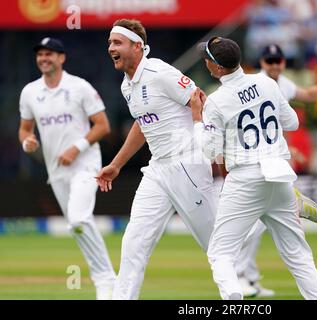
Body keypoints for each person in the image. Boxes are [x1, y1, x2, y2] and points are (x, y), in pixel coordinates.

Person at [96, 19, 263, 300]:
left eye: (117, 42)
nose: (110, 47)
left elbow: (204, 105)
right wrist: (117, 164)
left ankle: (265, 214)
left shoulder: (160, 73)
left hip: (187, 164)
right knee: (134, 243)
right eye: (110, 42)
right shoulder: (128, 84)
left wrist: (226, 153)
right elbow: (142, 125)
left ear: (137, 46)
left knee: (215, 245)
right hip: (157, 170)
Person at [190, 36, 317, 300]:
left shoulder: (216, 101)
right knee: (297, 253)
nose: (206, 63)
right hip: (279, 173)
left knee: (220, 253)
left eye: (207, 59)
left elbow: (208, 150)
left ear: (216, 67)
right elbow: (292, 123)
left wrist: (198, 118)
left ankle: (233, 297)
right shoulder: (266, 82)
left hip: (245, 177)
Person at [18, 37, 116, 299]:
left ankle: (106, 281)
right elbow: (25, 129)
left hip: (86, 164)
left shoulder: (79, 87)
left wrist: (77, 148)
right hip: (56, 172)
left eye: (49, 54)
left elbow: (103, 125)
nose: (44, 58)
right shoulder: (30, 92)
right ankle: (107, 279)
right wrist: (27, 142)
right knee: (77, 226)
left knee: (79, 218)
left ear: (62, 58)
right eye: (40, 54)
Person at [235, 43, 317, 297]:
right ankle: (245, 276)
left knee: (262, 224)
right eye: (270, 61)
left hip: (271, 161)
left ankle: (248, 276)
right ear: (262, 63)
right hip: (254, 161)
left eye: (278, 60)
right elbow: (284, 121)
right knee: (256, 225)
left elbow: (306, 96)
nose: (275, 65)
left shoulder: (283, 84)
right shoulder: (254, 83)